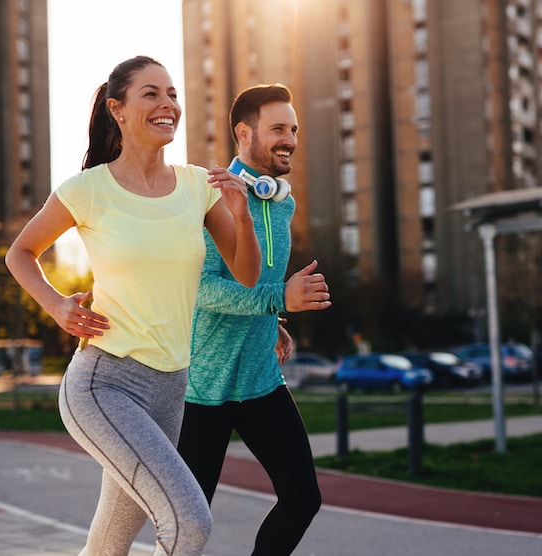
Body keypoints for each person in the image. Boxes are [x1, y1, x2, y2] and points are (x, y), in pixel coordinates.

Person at [5, 56, 261, 556]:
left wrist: (243, 217)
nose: (168, 104)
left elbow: (246, 274)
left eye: (172, 94)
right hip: (104, 383)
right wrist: (56, 306)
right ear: (117, 109)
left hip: (170, 387)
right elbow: (21, 252)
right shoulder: (87, 189)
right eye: (151, 93)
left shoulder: (198, 187)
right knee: (188, 523)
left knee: (109, 544)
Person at [177, 83, 331, 556]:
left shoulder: (283, 202)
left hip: (261, 379)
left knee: (303, 499)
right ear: (244, 134)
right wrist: (277, 298)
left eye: (294, 130)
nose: (290, 140)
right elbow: (202, 289)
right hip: (203, 387)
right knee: (189, 522)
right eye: (279, 129)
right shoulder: (211, 197)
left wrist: (273, 319)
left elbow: (257, 279)